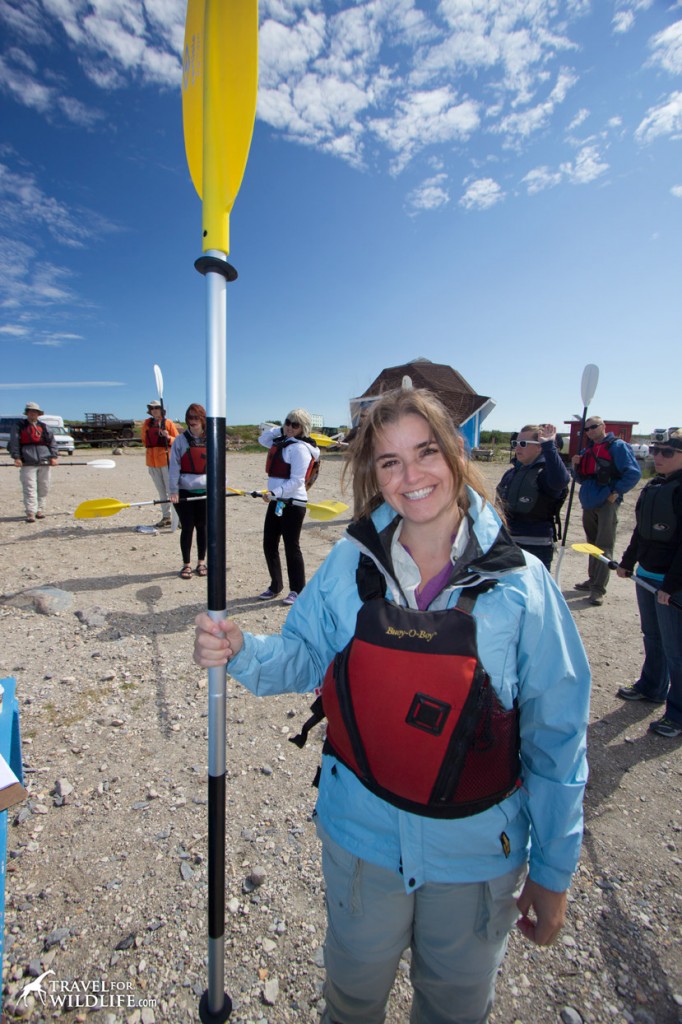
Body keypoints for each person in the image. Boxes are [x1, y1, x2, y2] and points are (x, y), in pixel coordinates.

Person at [194, 388, 590, 1024]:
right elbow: (304, 656)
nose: (411, 477)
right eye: (389, 462)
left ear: (458, 453)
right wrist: (242, 651)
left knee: (455, 1009)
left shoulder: (522, 583)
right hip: (361, 840)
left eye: (425, 452)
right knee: (350, 1001)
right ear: (371, 475)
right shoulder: (350, 562)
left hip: (476, 855)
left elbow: (557, 734)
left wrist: (552, 868)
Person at [615, 430, 682, 739]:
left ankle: (678, 714)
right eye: (656, 449)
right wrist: (629, 562)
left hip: (673, 585)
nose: (657, 456)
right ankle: (652, 687)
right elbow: (641, 531)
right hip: (648, 576)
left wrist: (672, 584)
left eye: (667, 452)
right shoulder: (654, 486)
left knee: (676, 650)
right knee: (652, 636)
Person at [571, 416, 641, 606]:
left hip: (606, 501)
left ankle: (598, 589)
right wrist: (575, 465)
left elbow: (634, 473)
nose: (590, 431)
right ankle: (592, 580)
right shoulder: (587, 450)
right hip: (589, 501)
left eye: (594, 427)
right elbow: (580, 478)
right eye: (587, 429)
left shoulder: (618, 447)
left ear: (603, 427)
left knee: (603, 545)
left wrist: (616, 492)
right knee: (592, 544)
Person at [257, 410, 320, 605]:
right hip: (277, 501)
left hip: (293, 503)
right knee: (269, 544)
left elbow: (297, 481)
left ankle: (297, 590)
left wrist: (274, 494)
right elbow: (263, 439)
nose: (290, 427)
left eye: (295, 425)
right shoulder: (281, 442)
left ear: (303, 429)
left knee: (291, 547)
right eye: (288, 422)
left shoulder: (300, 448)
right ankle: (276, 585)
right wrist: (280, 429)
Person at [496, 423, 569, 569]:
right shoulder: (511, 474)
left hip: (536, 547)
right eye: (515, 443)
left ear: (539, 447)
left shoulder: (546, 473)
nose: (517, 448)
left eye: (523, 444)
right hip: (507, 544)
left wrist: (549, 446)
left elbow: (561, 481)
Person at [169, 403, 207, 580]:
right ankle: (186, 564)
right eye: (189, 418)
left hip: (205, 492)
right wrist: (173, 490)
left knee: (203, 527)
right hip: (185, 491)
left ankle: (201, 562)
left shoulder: (211, 439)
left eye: (195, 417)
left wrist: (220, 487)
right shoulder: (180, 441)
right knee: (188, 528)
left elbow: (218, 466)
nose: (192, 421)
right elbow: (174, 468)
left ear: (202, 419)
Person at [8, 402, 59, 523]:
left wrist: (53, 456)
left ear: (38, 414)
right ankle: (31, 512)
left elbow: (52, 442)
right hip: (27, 462)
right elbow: (14, 443)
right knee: (30, 487)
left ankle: (40, 510)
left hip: (44, 461)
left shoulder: (45, 427)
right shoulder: (19, 426)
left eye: (35, 412)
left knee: (44, 487)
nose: (33, 414)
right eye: (30, 411)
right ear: (27, 413)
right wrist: (17, 457)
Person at [141, 400, 178, 528]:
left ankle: (178, 518)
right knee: (161, 491)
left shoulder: (168, 423)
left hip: (166, 461)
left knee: (171, 490)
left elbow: (178, 441)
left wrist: (168, 437)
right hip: (152, 462)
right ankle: (166, 517)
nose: (155, 410)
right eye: (152, 408)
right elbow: (145, 442)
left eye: (157, 407)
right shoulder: (146, 423)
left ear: (161, 410)